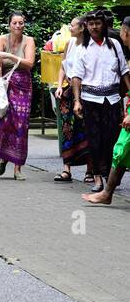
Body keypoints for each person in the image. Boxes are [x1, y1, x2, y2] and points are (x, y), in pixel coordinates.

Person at [71, 9, 129, 198]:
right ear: (86, 27)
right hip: (90, 99)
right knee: (94, 139)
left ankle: (108, 176)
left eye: (98, 23)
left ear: (103, 25)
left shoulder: (114, 45)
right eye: (91, 24)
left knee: (112, 138)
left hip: (112, 99)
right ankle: (97, 177)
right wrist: (77, 101)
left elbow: (124, 71)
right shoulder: (82, 49)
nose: (95, 27)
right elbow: (76, 77)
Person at [0, 12, 35, 180]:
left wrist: (8, 55)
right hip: (4, 84)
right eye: (15, 23)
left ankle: (18, 168)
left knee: (21, 125)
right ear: (9, 24)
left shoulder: (28, 40)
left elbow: (29, 64)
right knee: (4, 122)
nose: (18, 26)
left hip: (23, 85)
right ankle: (3, 157)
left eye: (21, 23)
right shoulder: (1, 39)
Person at [54, 16, 88, 183]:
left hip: (85, 91)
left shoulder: (89, 45)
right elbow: (63, 66)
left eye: (72, 25)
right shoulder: (70, 44)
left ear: (82, 28)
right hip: (68, 90)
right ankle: (66, 168)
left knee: (86, 128)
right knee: (66, 128)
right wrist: (60, 85)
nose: (70, 27)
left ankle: (90, 169)